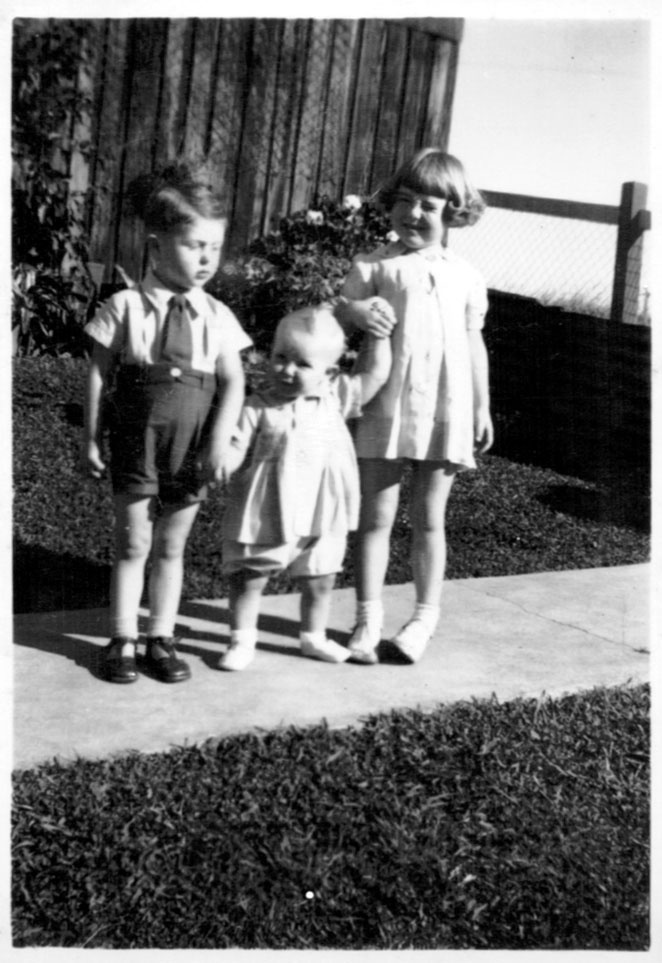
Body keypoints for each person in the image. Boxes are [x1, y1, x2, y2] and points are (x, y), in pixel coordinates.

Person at [82, 164, 252, 684]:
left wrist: (220, 442)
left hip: (192, 446)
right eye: (194, 245)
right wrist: (90, 436)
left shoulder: (218, 317)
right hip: (137, 441)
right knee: (133, 542)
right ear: (157, 248)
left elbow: (235, 383)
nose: (206, 259)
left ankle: (161, 637)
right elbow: (96, 374)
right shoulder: (125, 307)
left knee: (173, 545)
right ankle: (122, 639)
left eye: (215, 248)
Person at [336, 147, 494, 665]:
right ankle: (368, 616)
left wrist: (482, 406)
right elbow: (335, 316)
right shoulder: (374, 266)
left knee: (430, 519)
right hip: (385, 402)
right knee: (375, 518)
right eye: (404, 201)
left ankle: (424, 618)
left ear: (454, 209)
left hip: (446, 405)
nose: (413, 214)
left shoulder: (466, 276)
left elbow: (473, 344)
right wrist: (354, 310)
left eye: (427, 204)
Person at [219, 304, 392, 671]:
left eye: (302, 364)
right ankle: (241, 640)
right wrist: (222, 465)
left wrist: (378, 332)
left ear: (329, 373)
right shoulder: (257, 405)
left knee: (322, 578)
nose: (286, 369)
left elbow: (376, 373)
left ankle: (313, 637)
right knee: (251, 577)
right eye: (280, 357)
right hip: (267, 507)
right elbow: (235, 445)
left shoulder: (336, 397)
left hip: (323, 509)